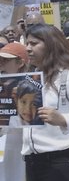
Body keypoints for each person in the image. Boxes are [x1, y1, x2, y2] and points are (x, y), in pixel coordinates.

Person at [23, 23, 69, 181]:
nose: (28, 48)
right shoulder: (29, 78)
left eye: (34, 43)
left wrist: (64, 119)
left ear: (51, 45)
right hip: (33, 161)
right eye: (27, 44)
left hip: (62, 162)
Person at [0, 42, 29, 181]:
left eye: (6, 60)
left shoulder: (32, 86)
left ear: (20, 63)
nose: (1, 64)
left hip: (21, 148)